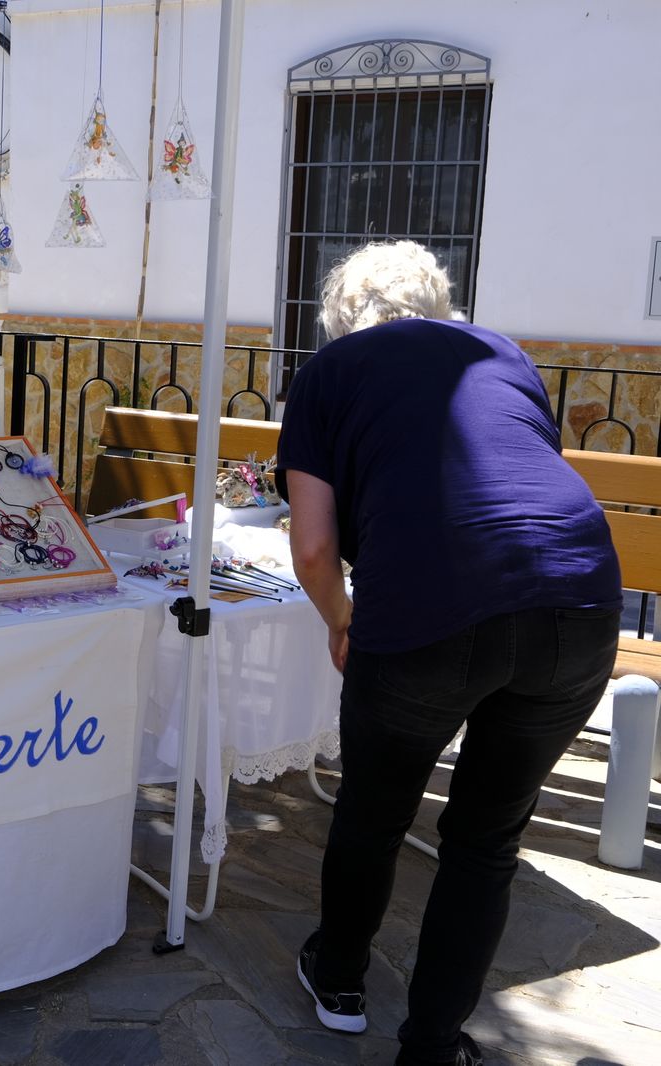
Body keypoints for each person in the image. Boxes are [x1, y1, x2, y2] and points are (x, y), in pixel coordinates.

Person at [276, 240, 622, 1066]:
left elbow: (315, 551)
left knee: (374, 810)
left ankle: (341, 980)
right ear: (438, 302)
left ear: (341, 319)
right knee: (485, 839)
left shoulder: (331, 372)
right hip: (578, 600)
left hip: (432, 609)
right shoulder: (502, 351)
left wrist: (340, 621)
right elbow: (521, 485)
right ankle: (431, 1047)